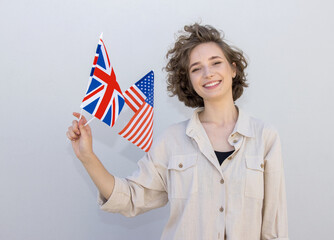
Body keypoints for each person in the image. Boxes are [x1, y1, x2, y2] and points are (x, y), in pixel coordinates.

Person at [66, 23, 289, 240]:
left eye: (216, 63)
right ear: (189, 81)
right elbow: (130, 198)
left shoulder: (265, 137)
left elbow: (274, 227)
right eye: (196, 68)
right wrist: (87, 157)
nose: (208, 73)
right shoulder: (172, 140)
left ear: (233, 69)